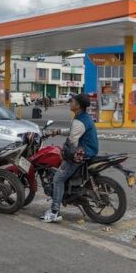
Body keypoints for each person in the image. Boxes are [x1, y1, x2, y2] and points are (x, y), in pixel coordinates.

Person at [43, 93, 98, 223]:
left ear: (78, 105)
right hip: (88, 150)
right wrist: (57, 132)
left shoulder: (79, 120)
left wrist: (63, 151)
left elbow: (72, 140)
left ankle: (55, 212)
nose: (70, 102)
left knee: (58, 178)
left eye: (72, 101)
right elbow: (74, 131)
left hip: (82, 153)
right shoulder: (83, 117)